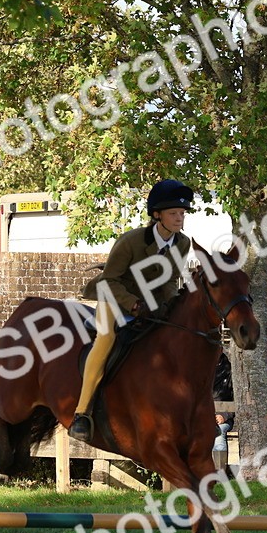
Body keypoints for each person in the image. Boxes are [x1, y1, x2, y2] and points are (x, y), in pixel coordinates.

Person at [70, 179, 194, 442]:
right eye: (173, 213)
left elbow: (170, 280)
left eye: (182, 214)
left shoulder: (183, 244)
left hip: (151, 302)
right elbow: (109, 280)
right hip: (113, 296)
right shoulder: (131, 241)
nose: (179, 218)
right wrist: (134, 304)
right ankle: (82, 414)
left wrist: (172, 304)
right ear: (157, 215)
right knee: (105, 339)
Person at [212, 353, 235, 467]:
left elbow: (237, 400)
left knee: (219, 435)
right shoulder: (199, 370)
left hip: (222, 418)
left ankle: (220, 474)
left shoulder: (231, 371)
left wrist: (224, 415)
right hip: (202, 417)